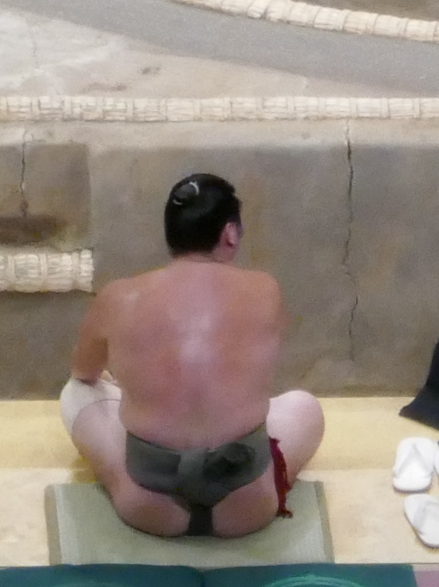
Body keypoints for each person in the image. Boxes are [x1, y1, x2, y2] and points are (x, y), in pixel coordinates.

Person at [62, 173, 325, 542]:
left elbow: (84, 372)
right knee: (304, 406)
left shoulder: (118, 296)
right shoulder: (266, 290)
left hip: (149, 505)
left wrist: (130, 387)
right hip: (246, 507)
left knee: (76, 392)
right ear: (230, 233)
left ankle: (125, 482)